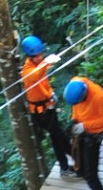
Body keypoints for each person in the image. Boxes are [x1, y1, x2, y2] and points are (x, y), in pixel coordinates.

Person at [62, 74, 103, 190]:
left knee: (91, 173)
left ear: (85, 94)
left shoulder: (98, 96)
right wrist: (74, 120)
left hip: (93, 136)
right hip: (81, 131)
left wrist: (85, 126)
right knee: (81, 168)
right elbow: (76, 107)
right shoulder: (75, 82)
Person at [20, 33, 72, 176]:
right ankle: (78, 160)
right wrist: (46, 62)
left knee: (56, 138)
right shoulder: (28, 71)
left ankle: (65, 167)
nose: (40, 57)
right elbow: (37, 75)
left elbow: (43, 82)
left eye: (41, 54)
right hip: (40, 113)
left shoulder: (38, 65)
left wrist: (50, 93)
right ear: (30, 57)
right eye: (37, 56)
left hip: (48, 107)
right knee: (60, 137)